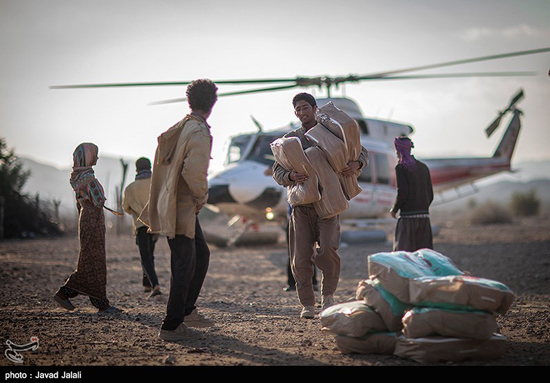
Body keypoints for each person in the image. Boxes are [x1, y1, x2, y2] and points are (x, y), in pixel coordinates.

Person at [272, 92, 369, 319]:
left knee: (328, 250)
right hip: (302, 207)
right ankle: (307, 304)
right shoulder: (290, 140)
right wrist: (290, 176)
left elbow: (360, 151)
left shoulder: (332, 131)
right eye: (298, 109)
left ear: (315, 109)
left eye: (305, 107)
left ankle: (328, 296)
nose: (302, 113)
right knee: (301, 257)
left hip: (329, 204)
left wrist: (356, 164)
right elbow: (277, 171)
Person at [140, 79, 217, 341]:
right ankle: (172, 325)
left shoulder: (183, 126)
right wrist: (202, 196)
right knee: (184, 264)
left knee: (200, 255)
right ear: (213, 103)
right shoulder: (198, 131)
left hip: (175, 205)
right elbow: (194, 171)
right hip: (182, 207)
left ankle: (186, 310)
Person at [53, 143, 120, 313]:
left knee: (89, 258)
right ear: (88, 156)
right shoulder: (89, 178)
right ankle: (98, 303)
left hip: (87, 220)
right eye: (94, 155)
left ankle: (74, 295)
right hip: (92, 221)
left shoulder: (77, 177)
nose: (96, 158)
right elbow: (98, 200)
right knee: (93, 259)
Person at [122, 157, 162, 299]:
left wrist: (137, 213)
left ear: (137, 169)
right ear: (150, 167)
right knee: (150, 253)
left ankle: (155, 285)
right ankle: (146, 284)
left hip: (140, 225)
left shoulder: (130, 188)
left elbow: (126, 207)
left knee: (145, 256)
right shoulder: (157, 184)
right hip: (156, 224)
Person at [390, 136, 434, 251]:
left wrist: (394, 209)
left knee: (404, 256)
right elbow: (430, 194)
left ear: (398, 150)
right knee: (423, 256)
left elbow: (403, 192)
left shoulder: (400, 167)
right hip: (424, 219)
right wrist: (422, 208)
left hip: (407, 219)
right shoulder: (424, 167)